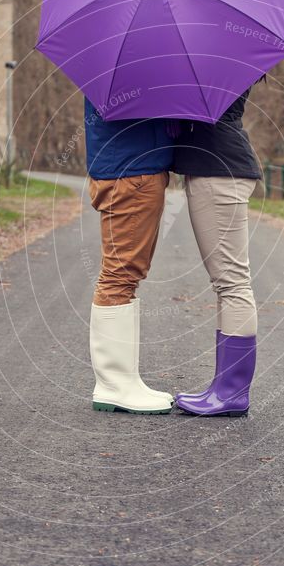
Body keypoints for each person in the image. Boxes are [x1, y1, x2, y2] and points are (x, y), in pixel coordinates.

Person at [173, 88, 261, 416]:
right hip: (218, 168)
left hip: (218, 171)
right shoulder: (215, 61)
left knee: (232, 283)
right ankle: (224, 387)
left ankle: (231, 392)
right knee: (229, 285)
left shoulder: (210, 68)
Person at [85, 98, 174, 414]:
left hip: (132, 166)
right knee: (120, 276)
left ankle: (125, 381)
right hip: (131, 169)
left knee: (125, 275)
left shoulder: (123, 59)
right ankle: (113, 385)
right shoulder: (135, 62)